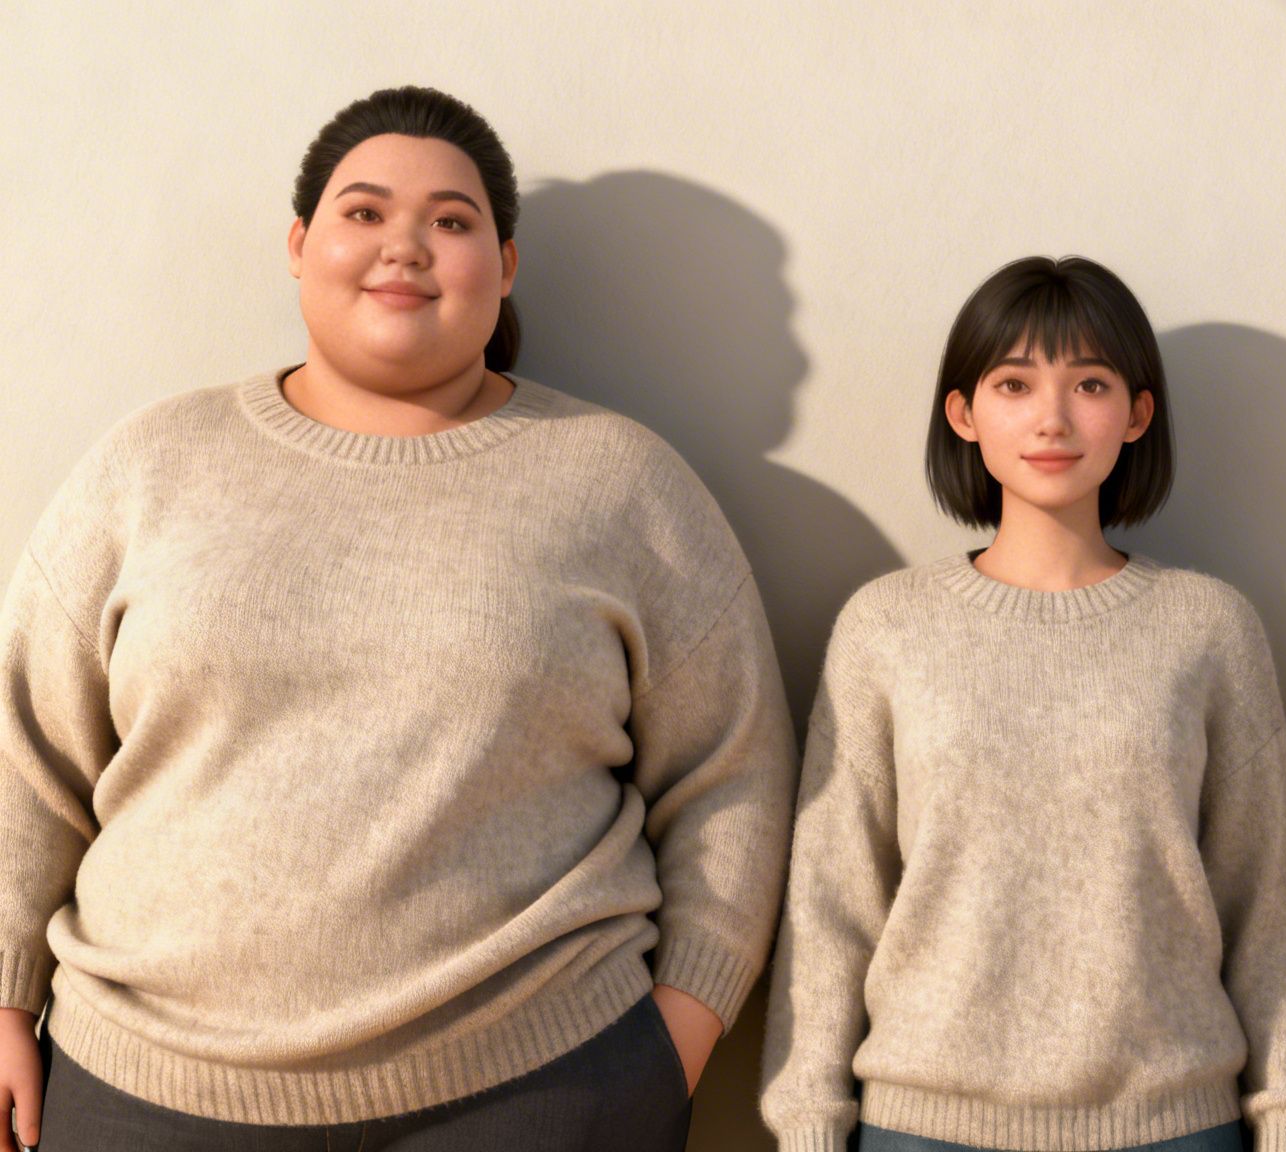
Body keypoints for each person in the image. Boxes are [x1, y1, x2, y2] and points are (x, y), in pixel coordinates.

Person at [0, 86, 796, 1151]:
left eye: (451, 222)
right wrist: (4, 993)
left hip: (536, 1093)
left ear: (504, 265)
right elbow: (26, 754)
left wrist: (674, 1042)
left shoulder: (619, 483)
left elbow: (733, 772)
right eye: (364, 212)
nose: (405, 247)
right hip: (145, 1091)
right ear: (299, 243)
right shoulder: (149, 465)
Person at [760, 257, 1286, 1152]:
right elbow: (833, 905)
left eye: (1091, 384)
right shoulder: (887, 627)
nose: (1053, 419)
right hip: (922, 1126)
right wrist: (806, 1124)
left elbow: (1266, 906)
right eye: (1014, 383)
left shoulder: (1210, 629)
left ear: (1138, 414)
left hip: (1174, 1125)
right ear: (963, 413)